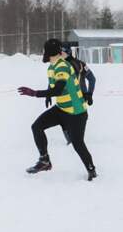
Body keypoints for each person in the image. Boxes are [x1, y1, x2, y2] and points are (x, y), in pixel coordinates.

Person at [18, 38, 97, 181]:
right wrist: (48, 94)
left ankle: (91, 169)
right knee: (37, 127)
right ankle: (44, 161)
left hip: (76, 112)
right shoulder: (51, 68)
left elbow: (59, 89)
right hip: (61, 109)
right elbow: (54, 87)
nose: (43, 52)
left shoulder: (62, 66)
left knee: (78, 144)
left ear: (49, 52)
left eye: (44, 50)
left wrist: (35, 93)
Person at [56, 44, 97, 144]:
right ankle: (72, 140)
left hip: (79, 96)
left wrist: (89, 94)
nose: (60, 55)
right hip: (65, 97)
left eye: (62, 53)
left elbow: (92, 79)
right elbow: (53, 81)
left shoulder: (80, 64)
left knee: (76, 118)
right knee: (65, 118)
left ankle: (74, 139)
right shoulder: (59, 66)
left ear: (68, 52)